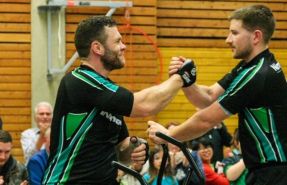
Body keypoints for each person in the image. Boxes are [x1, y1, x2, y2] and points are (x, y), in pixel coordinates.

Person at [148, 4, 287, 185]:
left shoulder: (258, 75)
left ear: (256, 36)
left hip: (279, 175)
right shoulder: (248, 67)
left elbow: (207, 119)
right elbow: (208, 97)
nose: (227, 39)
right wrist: (186, 80)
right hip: (271, 172)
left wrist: (170, 135)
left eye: (234, 33)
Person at [42, 16, 195, 184]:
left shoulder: (106, 90)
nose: (124, 46)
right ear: (97, 48)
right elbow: (144, 105)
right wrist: (181, 77)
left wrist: (135, 147)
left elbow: (121, 149)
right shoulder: (80, 80)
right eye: (117, 41)